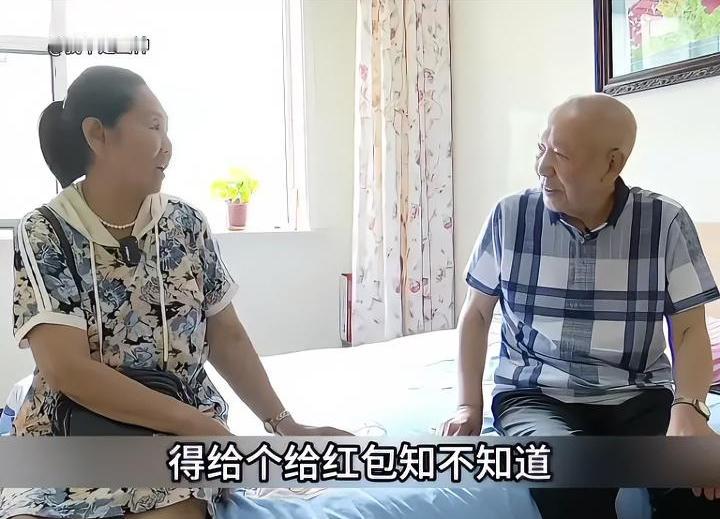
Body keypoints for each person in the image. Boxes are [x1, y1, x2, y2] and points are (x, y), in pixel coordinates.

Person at [0, 65, 349, 519]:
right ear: (97, 134)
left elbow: (227, 336)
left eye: (167, 129)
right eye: (153, 126)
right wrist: (200, 425)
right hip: (67, 428)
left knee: (174, 510)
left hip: (174, 431)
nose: (167, 145)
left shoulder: (185, 223)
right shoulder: (44, 230)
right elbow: (68, 370)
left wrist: (285, 425)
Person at [439, 94, 720, 518]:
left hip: (638, 393)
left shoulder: (665, 222)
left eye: (561, 154)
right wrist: (468, 406)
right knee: (570, 478)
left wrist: (689, 408)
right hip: (536, 395)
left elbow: (689, 328)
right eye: (541, 148)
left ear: (613, 164)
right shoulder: (510, 216)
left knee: (699, 483)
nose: (542, 167)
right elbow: (477, 314)